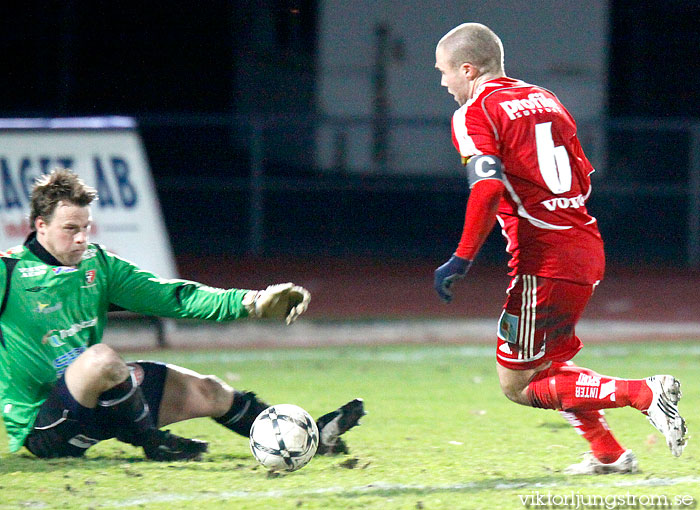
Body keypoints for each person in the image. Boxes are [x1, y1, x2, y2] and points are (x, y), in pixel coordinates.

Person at [432, 23, 686, 474]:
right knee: (549, 366)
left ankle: (643, 394)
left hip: (543, 260)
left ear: (467, 69)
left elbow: (487, 188)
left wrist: (463, 256)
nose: (443, 82)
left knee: (518, 384)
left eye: (444, 71)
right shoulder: (546, 99)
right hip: (583, 244)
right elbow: (584, 175)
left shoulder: (474, 112)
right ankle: (607, 453)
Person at [0, 167, 364, 461]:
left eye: (85, 228)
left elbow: (176, 297)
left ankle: (311, 441)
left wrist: (252, 302)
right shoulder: (10, 273)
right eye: (70, 229)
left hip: (100, 404)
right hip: (45, 427)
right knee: (101, 360)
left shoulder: (100, 265)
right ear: (40, 226)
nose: (81, 239)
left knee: (210, 391)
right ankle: (151, 441)